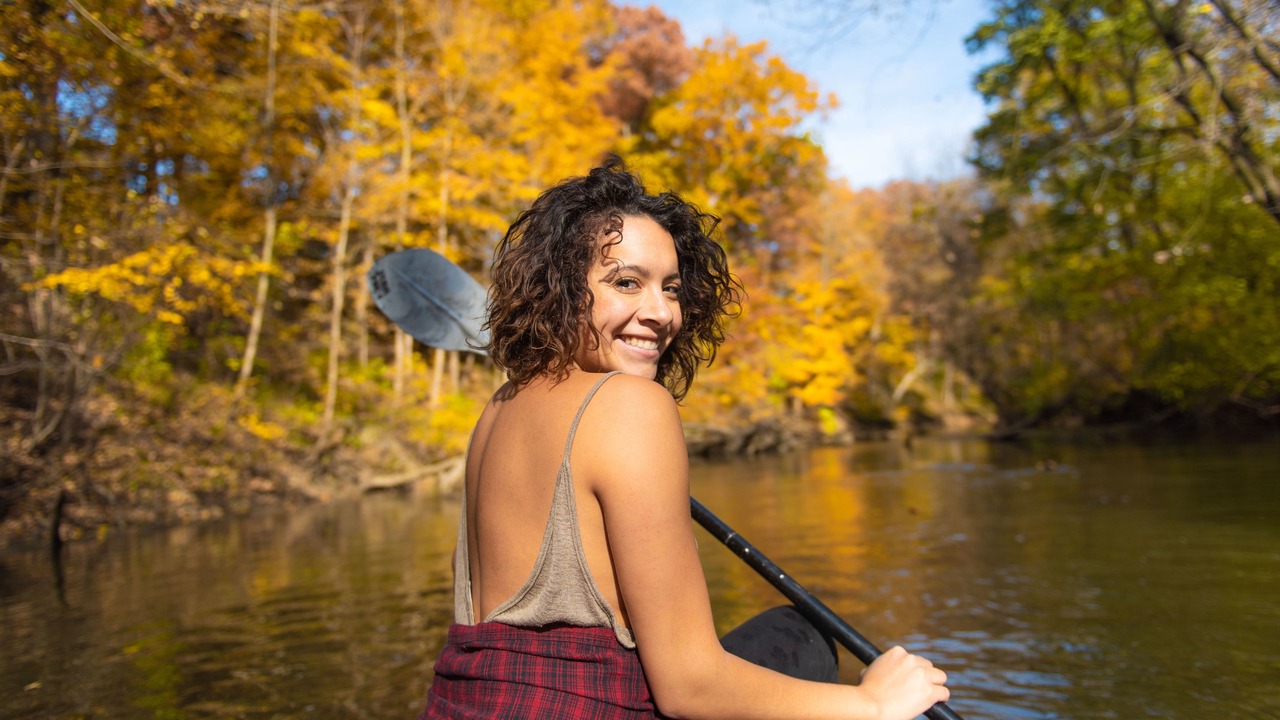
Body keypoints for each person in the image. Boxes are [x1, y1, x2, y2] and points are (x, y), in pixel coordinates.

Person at [420, 157, 950, 719]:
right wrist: (871, 704)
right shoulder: (631, 406)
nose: (660, 313)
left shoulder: (498, 409)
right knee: (813, 642)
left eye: (671, 289)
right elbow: (689, 686)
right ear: (562, 290)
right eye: (626, 282)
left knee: (792, 632)